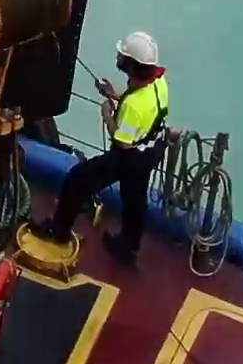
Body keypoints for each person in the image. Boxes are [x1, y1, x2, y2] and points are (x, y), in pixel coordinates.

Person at [41, 30, 171, 265]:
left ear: (132, 64)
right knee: (135, 200)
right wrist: (115, 95)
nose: (118, 58)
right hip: (152, 150)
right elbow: (141, 103)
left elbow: (122, 141)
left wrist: (107, 115)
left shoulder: (133, 106)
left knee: (76, 179)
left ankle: (59, 231)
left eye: (123, 56)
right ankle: (128, 247)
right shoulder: (158, 83)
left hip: (129, 157)